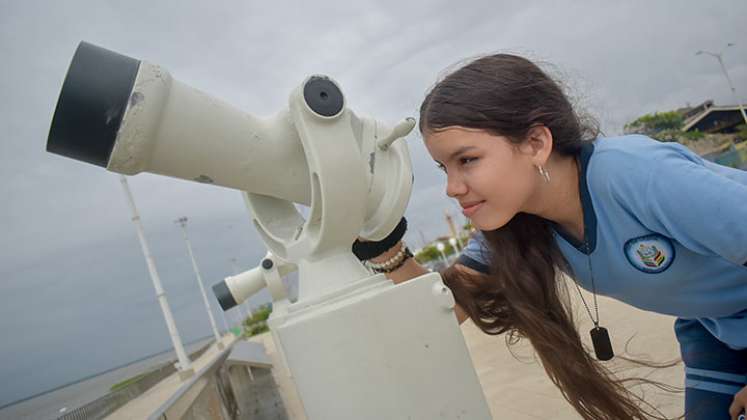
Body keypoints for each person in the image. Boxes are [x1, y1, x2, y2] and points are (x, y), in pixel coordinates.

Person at [352, 54, 747, 420]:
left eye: (467, 160)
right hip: (714, 329)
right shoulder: (514, 227)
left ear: (536, 143)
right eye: (444, 168)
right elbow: (444, 310)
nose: (452, 187)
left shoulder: (633, 174)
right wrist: (381, 240)